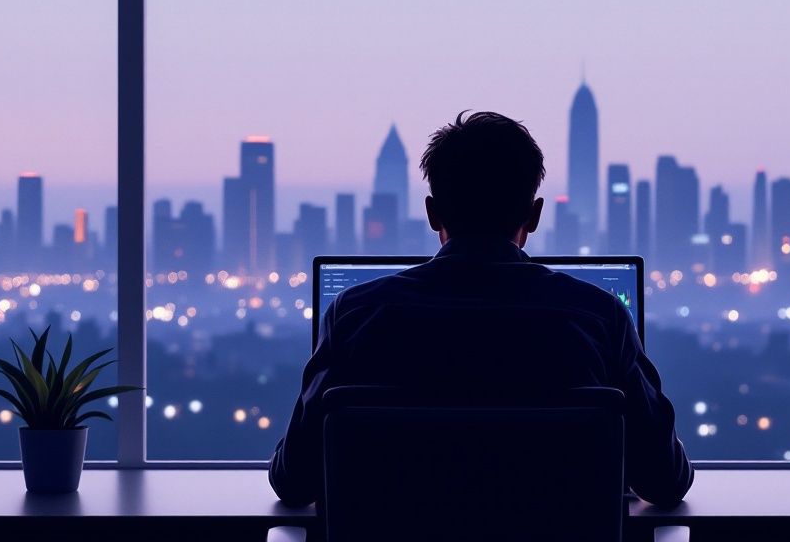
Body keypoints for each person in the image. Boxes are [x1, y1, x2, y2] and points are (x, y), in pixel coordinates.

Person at [269, 111, 693, 507]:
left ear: (433, 213)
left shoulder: (356, 315)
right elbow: (664, 480)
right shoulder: (600, 317)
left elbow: (295, 480)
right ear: (536, 213)